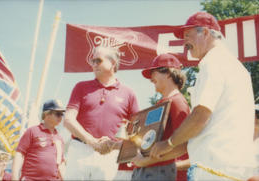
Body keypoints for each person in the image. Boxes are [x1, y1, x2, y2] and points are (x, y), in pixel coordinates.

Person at [149, 11, 257, 180]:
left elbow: (201, 116)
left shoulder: (212, 62)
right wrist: (163, 151)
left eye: (187, 35)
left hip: (212, 168)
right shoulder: (238, 68)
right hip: (233, 166)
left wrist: (168, 144)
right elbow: (203, 130)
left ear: (205, 32)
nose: (185, 43)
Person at [63, 46, 139, 180]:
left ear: (113, 63)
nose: (93, 64)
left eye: (98, 60)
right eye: (92, 61)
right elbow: (68, 120)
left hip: (109, 154)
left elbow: (137, 128)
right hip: (79, 150)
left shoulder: (129, 93)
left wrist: (115, 145)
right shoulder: (81, 87)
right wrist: (91, 141)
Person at [130, 53, 190, 181]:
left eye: (154, 73)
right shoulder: (161, 103)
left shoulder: (178, 102)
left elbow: (185, 146)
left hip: (165, 174)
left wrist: (144, 161)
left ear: (168, 73)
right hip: (148, 172)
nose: (151, 79)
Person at [12, 99, 66, 180]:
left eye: (62, 114)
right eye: (58, 114)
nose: (61, 117)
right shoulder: (32, 131)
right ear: (47, 114)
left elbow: (60, 163)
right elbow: (19, 154)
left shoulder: (60, 138)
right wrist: (14, 178)